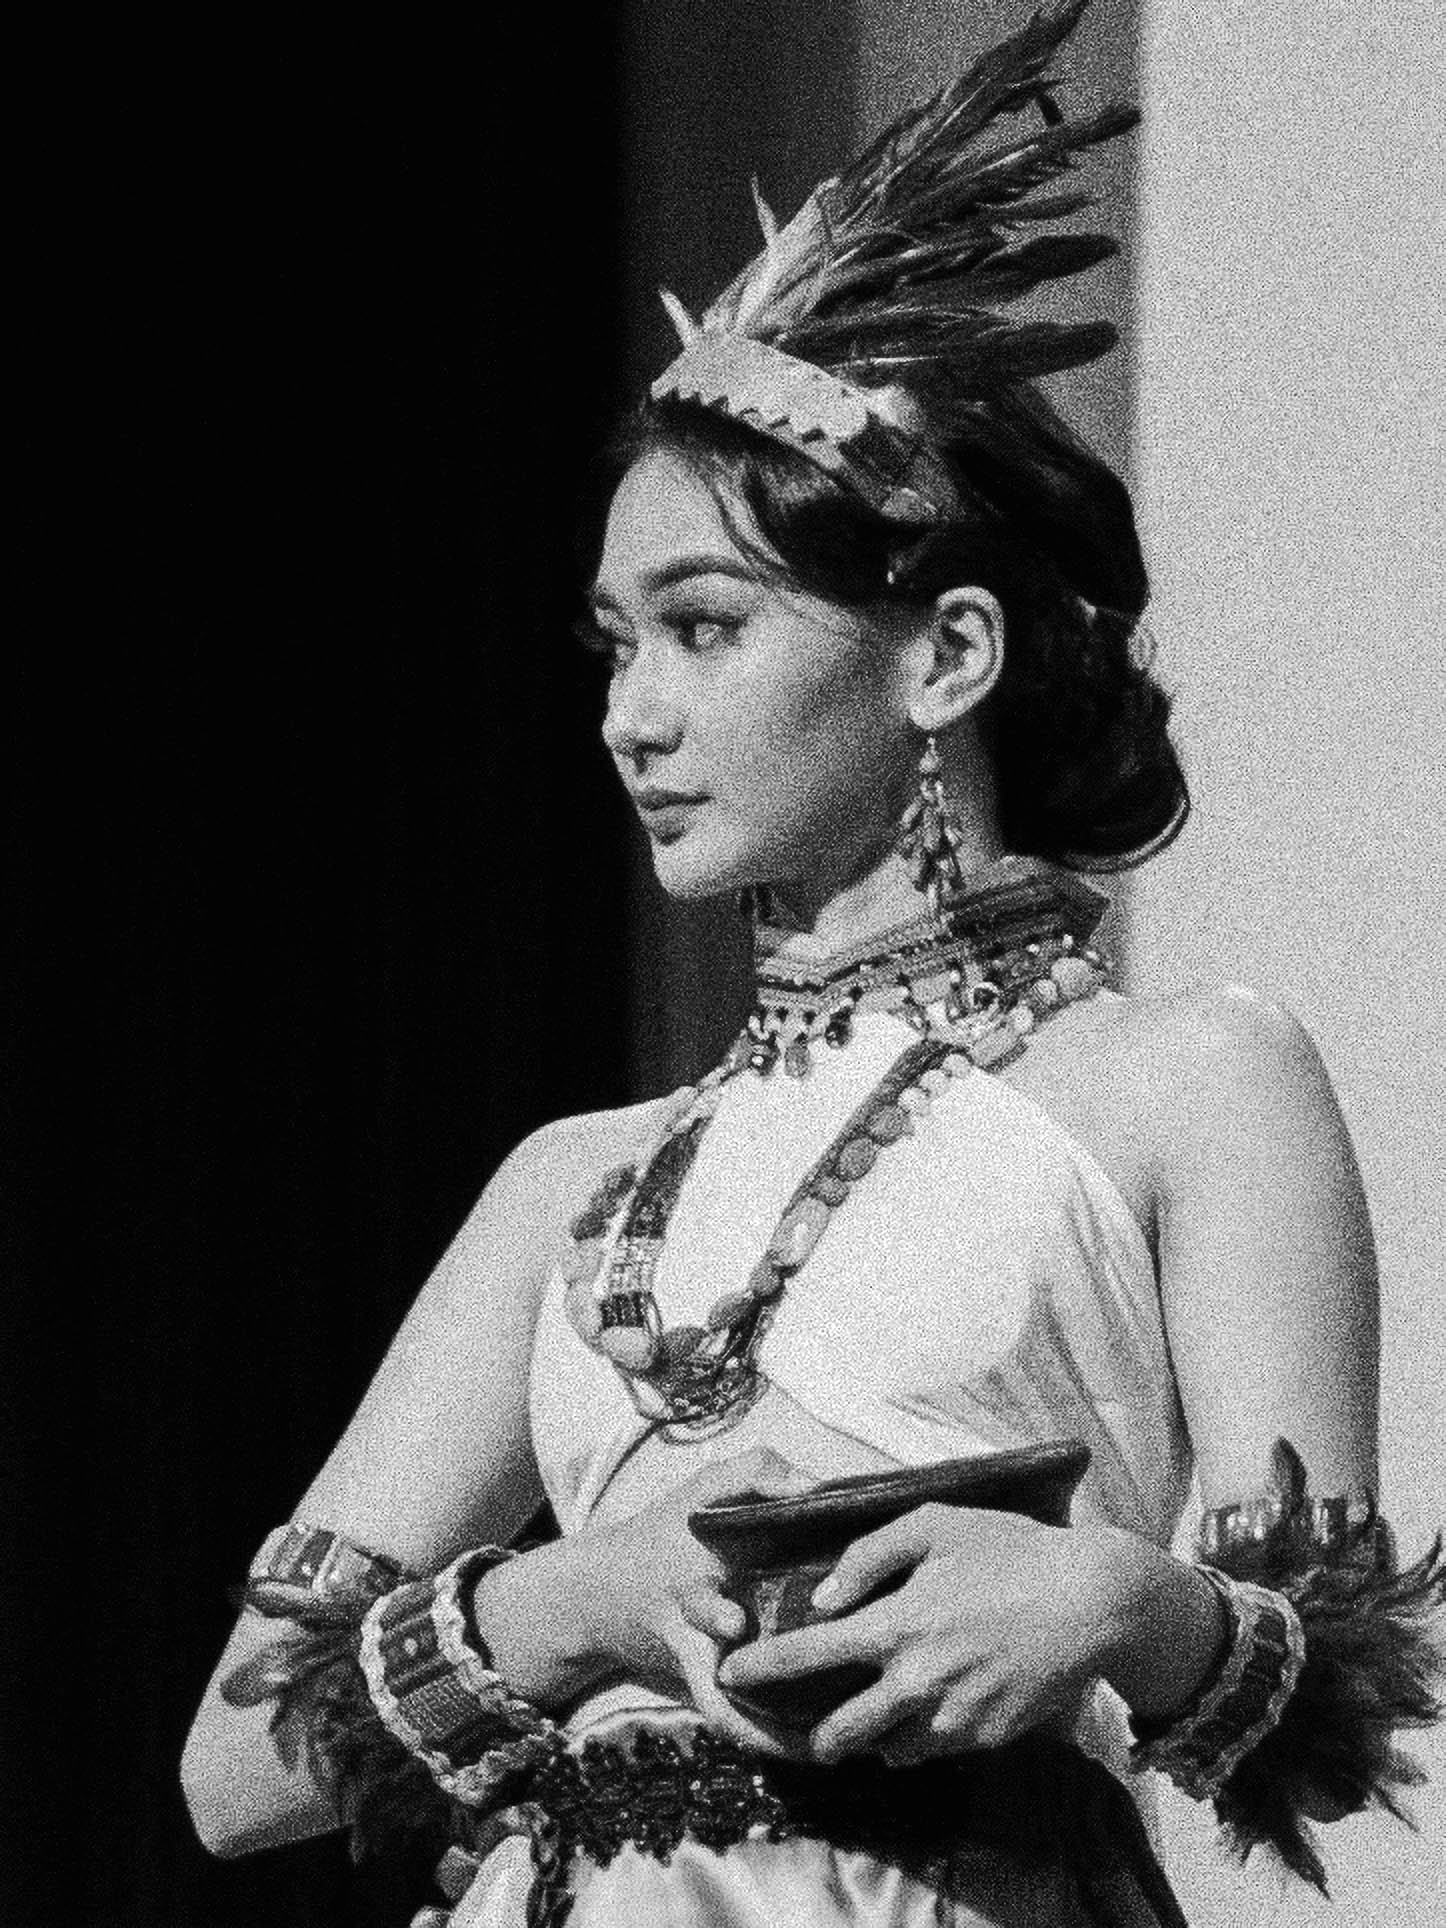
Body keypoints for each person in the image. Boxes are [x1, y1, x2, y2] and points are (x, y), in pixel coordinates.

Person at [181, 5, 1443, 1923]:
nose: (629, 717)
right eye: (612, 646)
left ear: (941, 658)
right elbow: (232, 1763)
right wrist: (564, 1599)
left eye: (702, 629)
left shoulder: (1183, 1075)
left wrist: (1120, 1600)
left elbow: (1329, 1694)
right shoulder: (571, 1186)